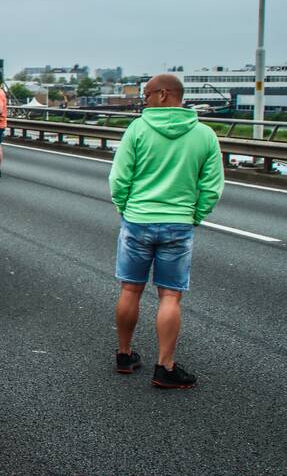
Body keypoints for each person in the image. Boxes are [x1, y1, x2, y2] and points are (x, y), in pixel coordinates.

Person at [109, 73, 223, 389]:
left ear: (163, 94)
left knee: (130, 289)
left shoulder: (137, 130)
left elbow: (119, 178)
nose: (143, 100)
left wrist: (125, 207)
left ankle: (124, 355)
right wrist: (195, 215)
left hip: (138, 219)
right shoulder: (204, 135)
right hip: (178, 223)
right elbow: (212, 186)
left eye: (146, 94)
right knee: (170, 295)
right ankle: (165, 367)